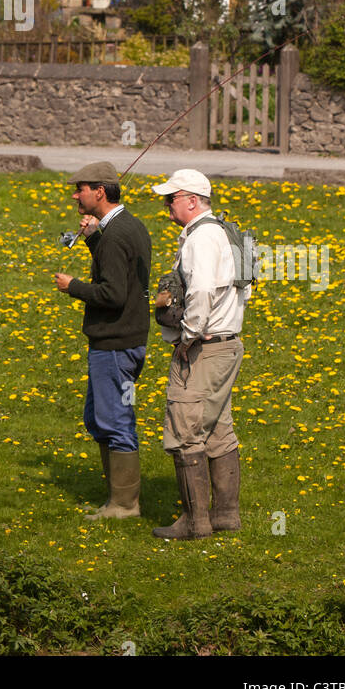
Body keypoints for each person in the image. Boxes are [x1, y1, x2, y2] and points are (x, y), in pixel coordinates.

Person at [150, 168, 248, 540]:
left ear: (192, 201)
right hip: (227, 344)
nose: (165, 205)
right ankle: (225, 515)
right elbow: (243, 290)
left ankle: (195, 522)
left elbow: (203, 290)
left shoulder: (201, 238)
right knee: (218, 430)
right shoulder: (225, 232)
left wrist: (188, 336)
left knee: (185, 432)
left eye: (171, 198)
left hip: (204, 347)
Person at [53, 160, 152, 519]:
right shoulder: (129, 227)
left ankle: (124, 505)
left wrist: (73, 287)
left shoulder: (117, 233)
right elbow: (121, 270)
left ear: (100, 192)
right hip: (124, 339)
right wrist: (95, 239)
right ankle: (117, 498)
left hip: (115, 343)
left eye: (80, 189)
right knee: (99, 418)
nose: (75, 195)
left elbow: (113, 294)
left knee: (115, 420)